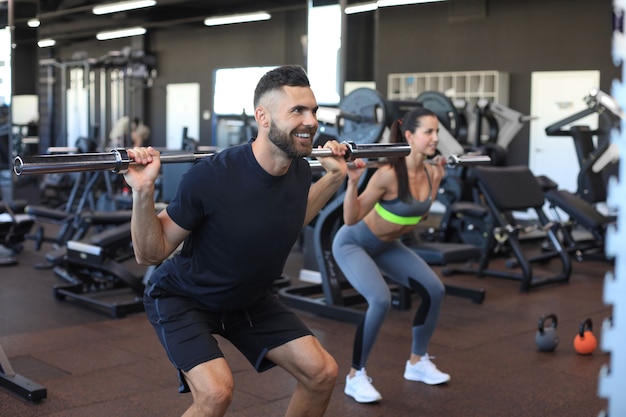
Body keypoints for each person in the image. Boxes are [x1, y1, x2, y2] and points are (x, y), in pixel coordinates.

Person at [123, 65, 348, 417]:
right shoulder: (212, 176)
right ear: (263, 116)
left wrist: (335, 179)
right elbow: (151, 253)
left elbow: (288, 219)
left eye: (314, 111)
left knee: (322, 373)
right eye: (298, 111)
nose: (311, 121)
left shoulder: (300, 169)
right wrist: (143, 191)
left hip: (248, 299)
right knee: (215, 393)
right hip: (185, 298)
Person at [331, 107, 450, 404]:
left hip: (387, 246)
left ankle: (417, 363)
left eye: (437, 132)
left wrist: (438, 180)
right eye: (429, 132)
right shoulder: (386, 175)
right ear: (409, 135)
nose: (436, 138)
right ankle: (355, 376)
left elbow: (418, 216)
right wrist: (354, 181)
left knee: (435, 289)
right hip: (354, 243)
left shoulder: (430, 170)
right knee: (380, 299)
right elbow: (350, 218)